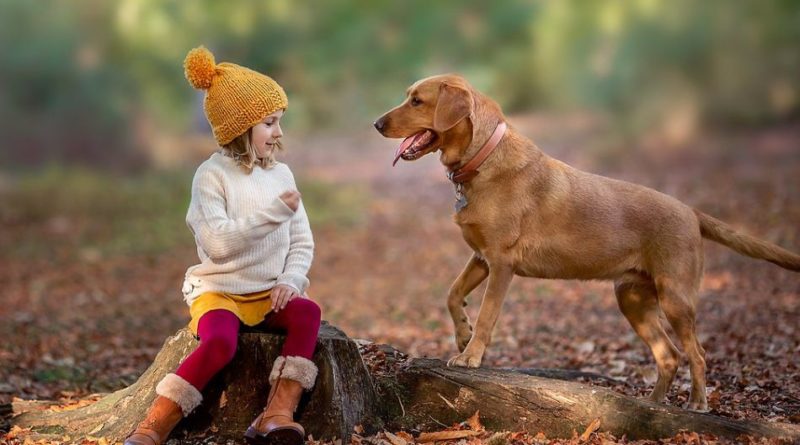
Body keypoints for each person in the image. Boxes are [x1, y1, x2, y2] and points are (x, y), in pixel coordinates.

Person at [125, 46, 321, 445]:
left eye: (279, 122)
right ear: (240, 127)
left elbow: (301, 240)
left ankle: (276, 413)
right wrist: (270, 215)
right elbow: (217, 244)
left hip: (268, 293)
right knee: (220, 342)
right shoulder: (210, 177)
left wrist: (292, 277)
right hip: (220, 292)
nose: (279, 132)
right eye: (269, 123)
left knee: (307, 313)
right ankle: (155, 423)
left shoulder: (282, 174)